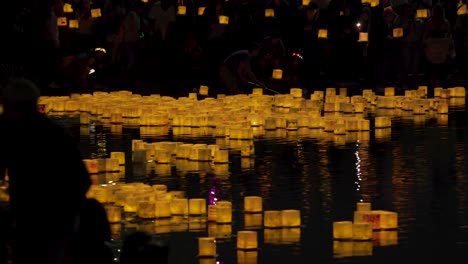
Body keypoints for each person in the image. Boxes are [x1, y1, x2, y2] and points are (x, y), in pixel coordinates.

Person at [0, 78, 91, 264]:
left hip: (50, 219)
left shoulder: (48, 136)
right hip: (35, 218)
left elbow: (80, 179)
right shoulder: (48, 132)